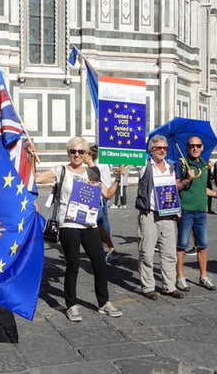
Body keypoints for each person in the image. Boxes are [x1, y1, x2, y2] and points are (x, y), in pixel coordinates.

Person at [31, 137, 124, 321]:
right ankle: (71, 304)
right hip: (69, 224)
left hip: (89, 225)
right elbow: (35, 179)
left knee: (99, 263)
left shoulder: (92, 174)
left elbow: (108, 194)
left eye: (81, 152)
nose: (77, 155)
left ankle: (104, 302)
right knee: (73, 266)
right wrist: (32, 156)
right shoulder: (61, 170)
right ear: (68, 153)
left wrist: (118, 177)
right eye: (73, 151)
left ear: (86, 154)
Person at [175, 136, 217, 292]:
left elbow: (203, 189)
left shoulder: (204, 166)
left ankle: (203, 277)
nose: (195, 148)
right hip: (185, 211)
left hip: (201, 212)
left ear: (202, 147)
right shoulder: (181, 163)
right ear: (187, 148)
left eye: (198, 145)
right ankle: (180, 277)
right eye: (192, 145)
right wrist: (187, 179)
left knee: (202, 245)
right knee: (182, 245)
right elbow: (175, 187)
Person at [135, 135, 185, 300]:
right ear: (151, 150)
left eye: (164, 148)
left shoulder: (171, 166)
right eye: (158, 148)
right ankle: (148, 287)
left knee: (169, 253)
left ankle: (169, 286)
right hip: (149, 214)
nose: (162, 150)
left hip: (168, 215)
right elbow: (132, 155)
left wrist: (187, 180)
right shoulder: (145, 166)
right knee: (147, 253)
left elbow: (172, 190)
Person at [86, 145, 121, 263]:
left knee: (99, 223)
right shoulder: (105, 161)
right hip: (104, 192)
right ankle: (108, 247)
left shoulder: (95, 167)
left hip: (99, 195)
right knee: (101, 222)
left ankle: (107, 248)